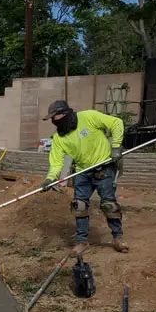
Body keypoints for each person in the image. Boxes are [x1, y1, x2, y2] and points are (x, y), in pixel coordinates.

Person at [40, 100, 129, 255]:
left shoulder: (88, 117)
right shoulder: (59, 138)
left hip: (104, 167)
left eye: (55, 117)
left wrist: (116, 147)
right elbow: (56, 162)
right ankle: (82, 242)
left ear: (65, 113)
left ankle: (118, 238)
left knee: (109, 204)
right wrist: (50, 178)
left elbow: (116, 123)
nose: (54, 121)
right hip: (82, 171)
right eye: (52, 119)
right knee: (79, 206)